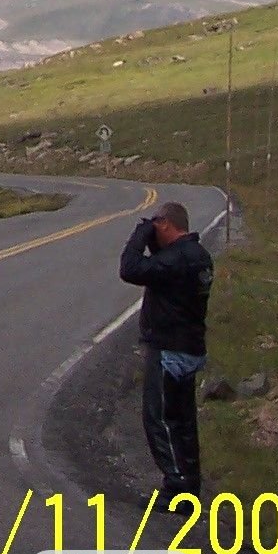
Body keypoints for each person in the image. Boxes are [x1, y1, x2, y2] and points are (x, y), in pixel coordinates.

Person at [119, 201, 215, 504]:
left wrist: (138, 237)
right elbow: (165, 274)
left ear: (165, 225)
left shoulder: (177, 259)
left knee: (159, 419)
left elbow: (130, 269)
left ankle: (178, 488)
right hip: (189, 347)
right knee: (184, 422)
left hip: (169, 349)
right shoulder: (197, 255)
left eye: (155, 226)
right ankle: (190, 483)